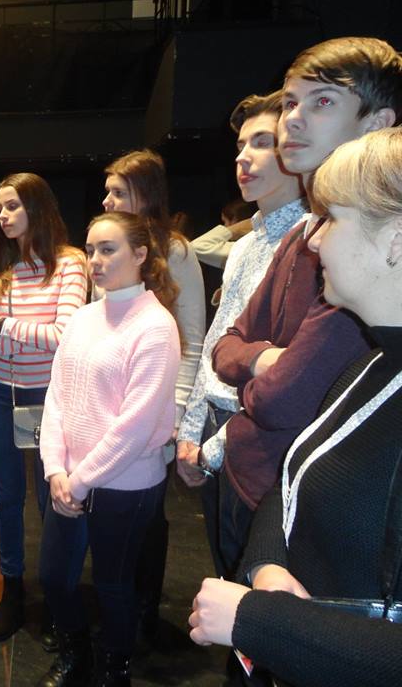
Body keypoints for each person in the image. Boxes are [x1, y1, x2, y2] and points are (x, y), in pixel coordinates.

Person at [189, 127, 402, 687]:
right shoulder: (370, 369)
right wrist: (266, 567)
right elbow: (289, 484)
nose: (313, 240)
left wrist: (258, 621)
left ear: (395, 239)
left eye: (331, 218)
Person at [197, 40, 402, 589]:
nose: (294, 118)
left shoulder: (363, 259)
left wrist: (249, 371)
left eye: (323, 102)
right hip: (253, 481)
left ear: (377, 123)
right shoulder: (300, 236)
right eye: (290, 102)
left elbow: (281, 399)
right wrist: (264, 359)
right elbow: (225, 347)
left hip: (294, 507)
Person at [38, 211, 180, 687]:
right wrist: (55, 469)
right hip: (68, 480)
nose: (95, 260)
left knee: (113, 585)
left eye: (108, 249)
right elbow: (57, 396)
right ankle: (76, 655)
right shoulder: (82, 318)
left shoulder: (155, 326)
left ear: (140, 254)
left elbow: (135, 427)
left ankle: (114, 669)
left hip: (125, 485)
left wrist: (77, 482)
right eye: (90, 250)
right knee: (55, 578)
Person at [174, 91, 305, 582]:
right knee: (227, 574)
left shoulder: (311, 242)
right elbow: (216, 338)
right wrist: (191, 432)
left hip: (262, 437)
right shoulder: (247, 244)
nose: (243, 158)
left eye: (261, 143)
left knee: (254, 585)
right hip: (215, 427)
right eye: (240, 146)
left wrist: (213, 446)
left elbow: (293, 372)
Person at [0, 172, 87, 644]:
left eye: (12, 205)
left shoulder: (70, 263)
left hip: (51, 397)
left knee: (52, 497)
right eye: (0, 207)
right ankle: (12, 590)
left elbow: (66, 335)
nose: (2, 215)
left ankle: (57, 595)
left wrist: (7, 326)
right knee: (8, 497)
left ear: (37, 207)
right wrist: (19, 334)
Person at [102, 148, 206, 637]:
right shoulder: (108, 248)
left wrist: (178, 413)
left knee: (149, 511)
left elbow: (193, 340)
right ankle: (117, 601)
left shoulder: (176, 251)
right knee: (112, 505)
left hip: (158, 405)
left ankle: (143, 608)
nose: (107, 201)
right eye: (107, 192)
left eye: (117, 192)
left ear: (145, 195)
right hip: (111, 403)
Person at [191, 199, 257, 271]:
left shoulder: (243, 247)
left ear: (235, 220)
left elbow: (196, 246)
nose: (225, 226)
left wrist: (236, 228)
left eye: (225, 222)